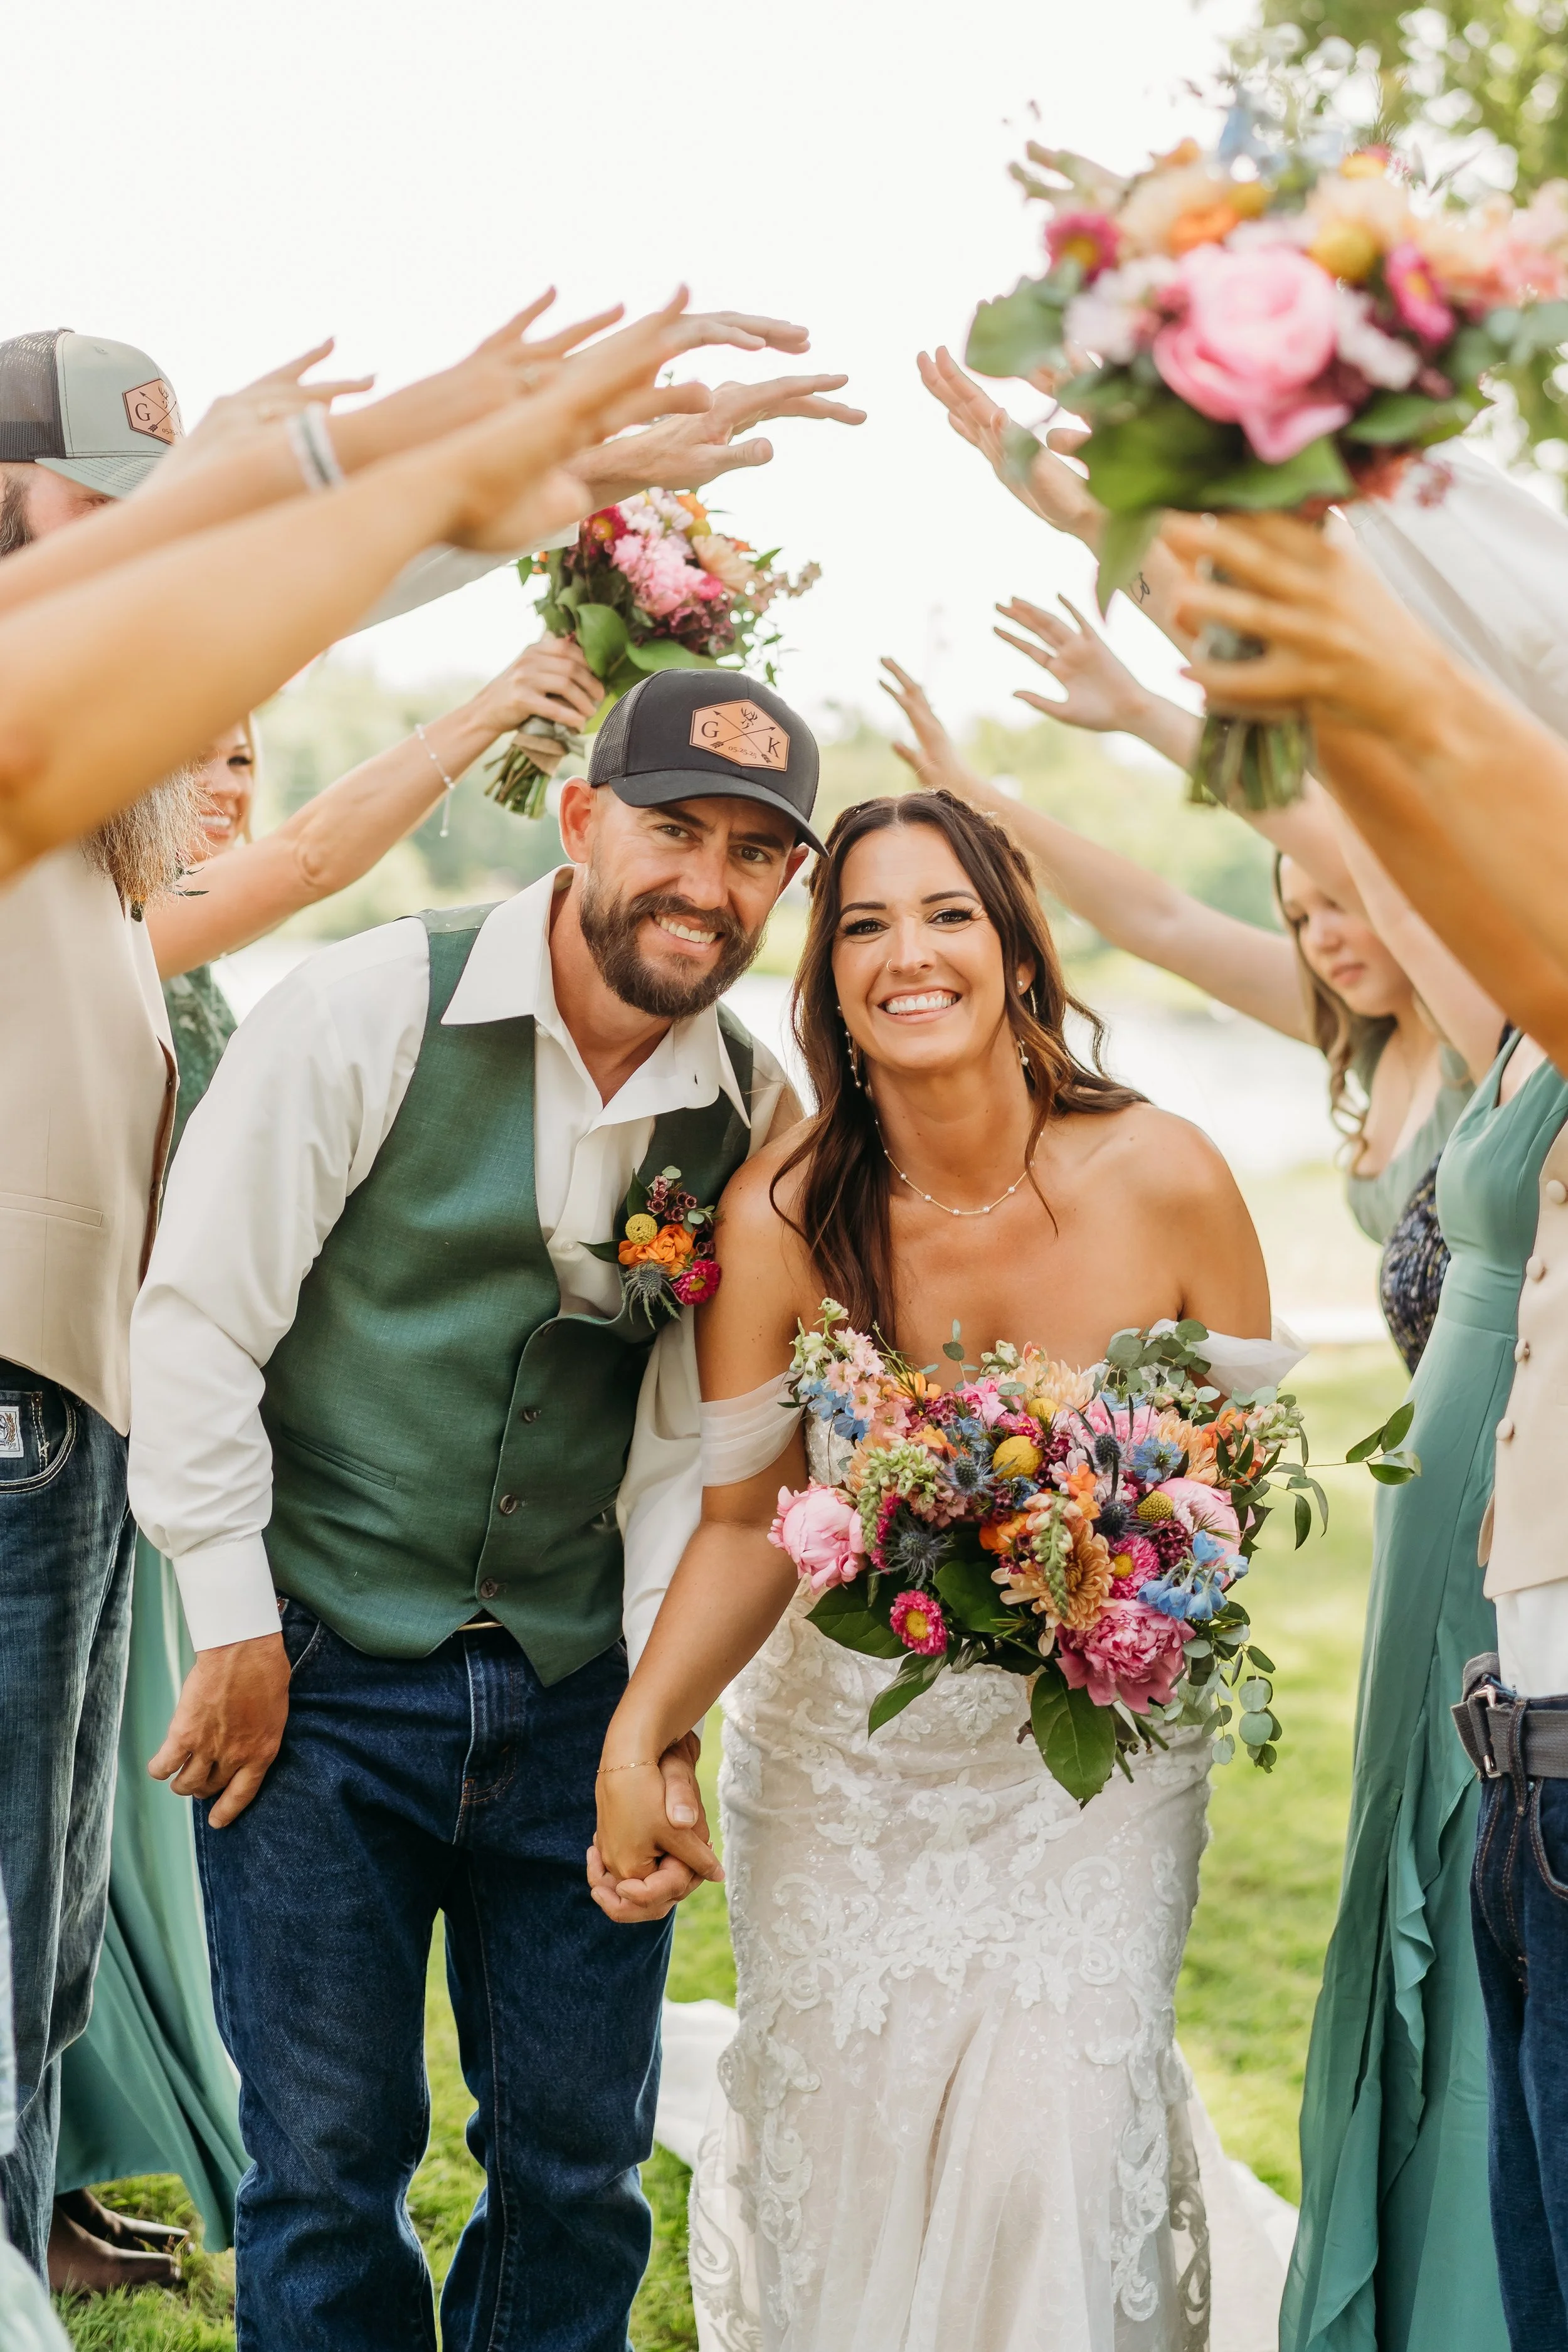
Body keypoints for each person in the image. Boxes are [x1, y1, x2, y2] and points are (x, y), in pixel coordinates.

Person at [0, 285, 736, 2289]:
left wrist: (516, 580)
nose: (170, 552)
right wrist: (449, 471)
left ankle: (25, 2219)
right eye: (116, 504)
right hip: (40, 1416)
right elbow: (241, 626)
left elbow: (296, 833)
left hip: (67, 1428)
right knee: (57, 1933)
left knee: (47, 1912)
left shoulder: (83, 855)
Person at [126, 667, 821, 2351]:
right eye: (673, 829)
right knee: (323, 2159)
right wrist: (229, 1621)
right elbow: (200, 1316)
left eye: (752, 853)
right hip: (318, 1664)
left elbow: (688, 1453)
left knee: (578, 2165)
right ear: (580, 820)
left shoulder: (752, 1112)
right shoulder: (367, 1001)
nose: (706, 883)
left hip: (580, 1674)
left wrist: (653, 1716)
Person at [590, 786, 1300, 2349]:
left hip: (1089, 1776)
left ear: (1017, 951)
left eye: (945, 914)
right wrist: (644, 1734)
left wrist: (1117, 1546)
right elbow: (738, 1527)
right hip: (847, 1771)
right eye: (861, 925)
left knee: (1046, 2155)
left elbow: (1240, 1471)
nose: (906, 954)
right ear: (826, 979)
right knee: (856, 2163)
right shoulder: (782, 1215)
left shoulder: (1165, 1171)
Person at [50, 635, 601, 2280]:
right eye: (199, 753)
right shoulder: (128, 922)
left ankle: (69, 2171)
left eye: (246, 753)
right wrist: (489, 706)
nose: (232, 785)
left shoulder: (149, 939)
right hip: (138, 1402)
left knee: (108, 1832)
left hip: (186, 1425)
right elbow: (309, 860)